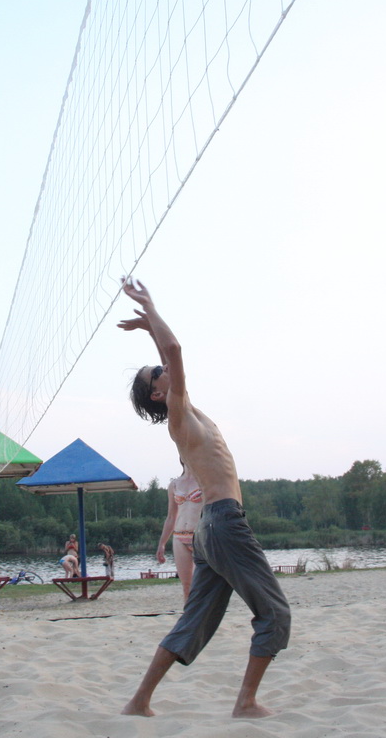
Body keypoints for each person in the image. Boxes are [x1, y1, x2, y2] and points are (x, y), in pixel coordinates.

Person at [118, 277, 290, 719]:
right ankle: (245, 702)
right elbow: (174, 352)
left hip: (209, 530)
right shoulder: (178, 416)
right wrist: (151, 308)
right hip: (224, 523)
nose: (162, 370)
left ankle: (138, 702)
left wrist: (150, 328)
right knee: (274, 613)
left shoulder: (186, 409)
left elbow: (168, 359)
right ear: (158, 393)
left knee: (193, 621)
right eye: (156, 375)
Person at [156, 461, 203, 599]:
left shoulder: (204, 480)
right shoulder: (174, 484)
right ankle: (189, 612)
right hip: (179, 536)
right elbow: (171, 516)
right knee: (186, 585)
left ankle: (203, 611)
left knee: (201, 584)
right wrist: (162, 543)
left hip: (200, 536)